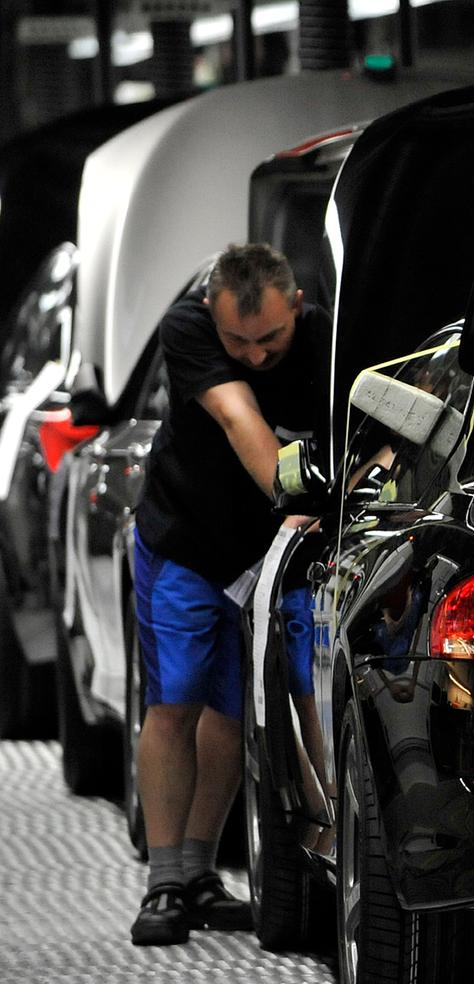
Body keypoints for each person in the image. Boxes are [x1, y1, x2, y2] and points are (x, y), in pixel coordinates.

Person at [130, 243, 331, 945]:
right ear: (213, 316)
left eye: (269, 339)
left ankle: (199, 870)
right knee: (174, 701)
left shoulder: (325, 338)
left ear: (296, 309)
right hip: (183, 544)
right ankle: (163, 882)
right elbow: (239, 416)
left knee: (229, 709)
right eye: (236, 340)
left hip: (262, 551)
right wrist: (291, 497)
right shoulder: (187, 326)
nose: (252, 355)